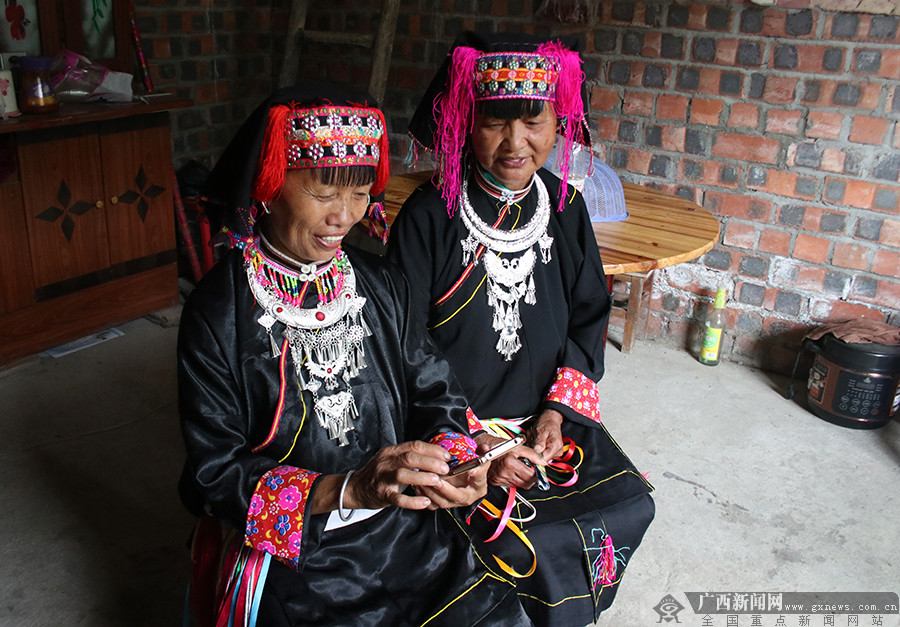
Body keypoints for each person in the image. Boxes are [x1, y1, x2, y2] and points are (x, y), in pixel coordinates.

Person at [177, 85, 532, 627]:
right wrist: (347, 488)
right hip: (298, 545)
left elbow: (434, 389)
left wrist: (457, 460)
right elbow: (212, 473)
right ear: (271, 185)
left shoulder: (384, 285)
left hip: (402, 521)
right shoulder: (217, 313)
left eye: (361, 192)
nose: (345, 216)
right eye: (323, 192)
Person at [387, 32, 655, 626]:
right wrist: (476, 441)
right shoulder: (431, 214)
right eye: (493, 123)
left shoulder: (565, 205)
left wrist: (558, 415)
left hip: (545, 424)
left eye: (533, 121)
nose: (515, 143)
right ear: (465, 122)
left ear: (558, 121)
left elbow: (589, 312)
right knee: (511, 548)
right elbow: (401, 345)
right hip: (454, 428)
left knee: (629, 506)